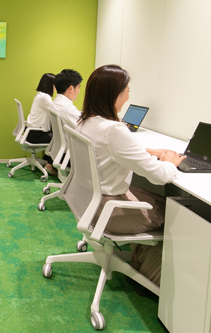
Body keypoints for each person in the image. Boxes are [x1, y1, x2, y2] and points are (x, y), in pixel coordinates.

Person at [76, 64, 185, 287]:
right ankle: (148, 267)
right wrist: (169, 162)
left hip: (88, 203)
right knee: (175, 211)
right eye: (127, 90)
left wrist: (147, 151)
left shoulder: (85, 122)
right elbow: (159, 176)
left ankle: (140, 255)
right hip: (109, 211)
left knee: (146, 194)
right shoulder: (114, 130)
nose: (128, 95)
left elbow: (108, 149)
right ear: (115, 95)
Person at [26, 73, 56, 175]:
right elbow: (56, 111)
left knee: (55, 137)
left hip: (31, 133)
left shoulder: (40, 95)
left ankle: (46, 161)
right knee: (60, 140)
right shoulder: (45, 97)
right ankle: (49, 165)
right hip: (36, 135)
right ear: (50, 85)